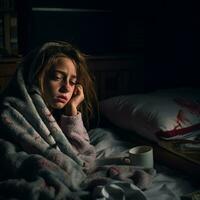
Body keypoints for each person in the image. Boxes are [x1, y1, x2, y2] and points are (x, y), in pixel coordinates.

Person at [0, 41, 153, 199]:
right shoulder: (9, 111)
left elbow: (79, 154)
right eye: (57, 77)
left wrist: (72, 109)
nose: (66, 88)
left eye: (72, 82)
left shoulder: (54, 113)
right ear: (34, 77)